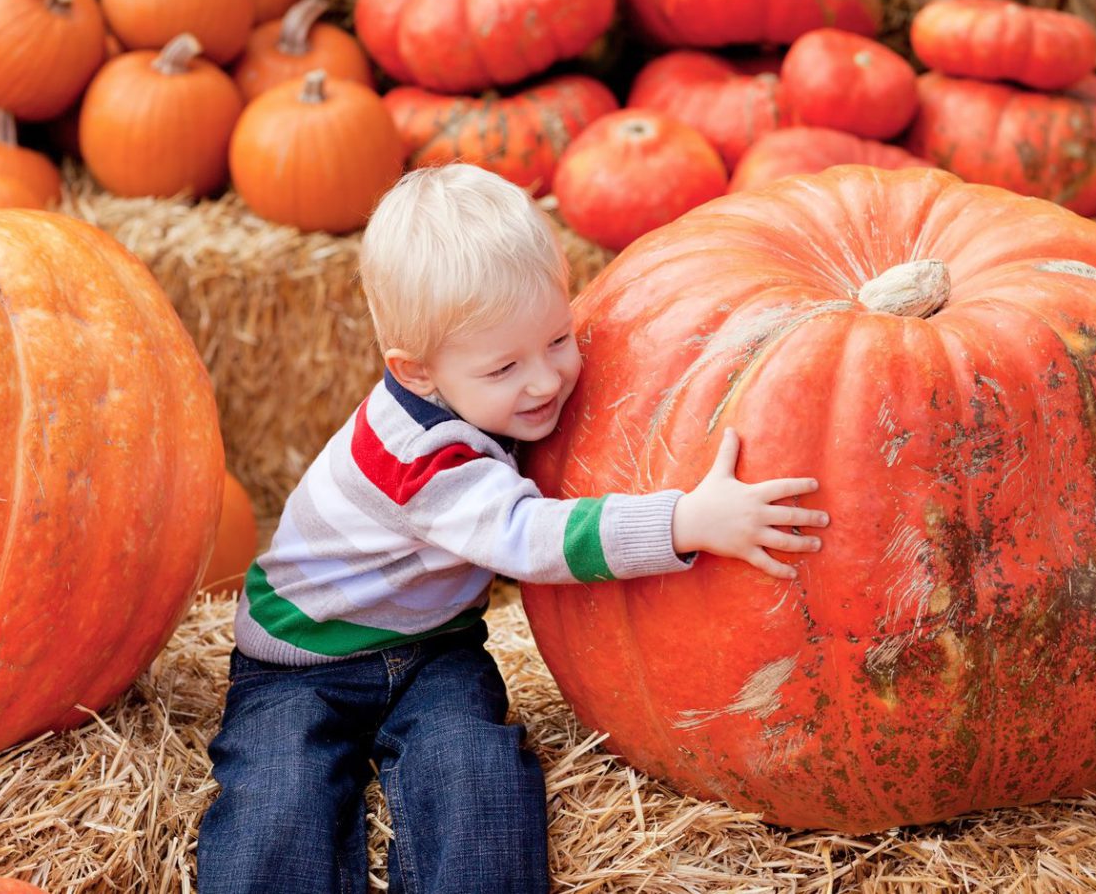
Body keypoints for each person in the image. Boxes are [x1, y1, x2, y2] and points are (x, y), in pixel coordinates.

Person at [198, 164, 829, 894]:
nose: (545, 381)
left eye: (559, 337)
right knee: (279, 799)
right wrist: (686, 519)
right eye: (505, 366)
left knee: (478, 774)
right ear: (419, 371)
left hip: (434, 649)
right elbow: (534, 538)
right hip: (305, 660)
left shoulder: (483, 391)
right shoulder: (420, 461)